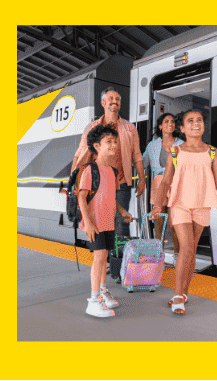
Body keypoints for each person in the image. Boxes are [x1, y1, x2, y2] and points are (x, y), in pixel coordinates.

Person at [149, 109, 217, 315]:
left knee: (190, 254)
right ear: (182, 128)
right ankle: (177, 296)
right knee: (187, 248)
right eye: (190, 121)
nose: (195, 123)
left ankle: (183, 293)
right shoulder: (175, 152)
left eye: (199, 120)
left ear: (203, 125)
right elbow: (165, 182)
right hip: (180, 205)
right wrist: (158, 205)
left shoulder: (212, 152)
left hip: (202, 205)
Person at [72, 87, 145, 242]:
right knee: (99, 224)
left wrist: (142, 179)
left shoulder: (129, 128)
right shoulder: (91, 128)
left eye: (117, 99)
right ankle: (103, 260)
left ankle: (117, 265)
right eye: (110, 98)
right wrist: (74, 180)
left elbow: (137, 156)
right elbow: (79, 154)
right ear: (103, 102)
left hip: (121, 184)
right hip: (97, 184)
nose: (114, 101)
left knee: (120, 224)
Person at [78, 124, 133, 318]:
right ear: (96, 146)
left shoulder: (112, 171)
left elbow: (111, 197)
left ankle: (102, 291)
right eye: (109, 141)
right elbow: (81, 197)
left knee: (104, 258)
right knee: (99, 258)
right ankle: (93, 301)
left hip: (108, 221)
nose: (114, 145)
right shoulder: (90, 170)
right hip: (95, 222)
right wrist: (88, 222)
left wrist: (123, 210)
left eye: (115, 142)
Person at [142, 113, 184, 256]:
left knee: (173, 223)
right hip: (158, 185)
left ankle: (178, 256)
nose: (170, 124)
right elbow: (143, 163)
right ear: (160, 126)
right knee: (159, 223)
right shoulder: (152, 145)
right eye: (166, 122)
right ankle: (157, 256)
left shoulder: (180, 144)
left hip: (175, 183)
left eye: (172, 121)